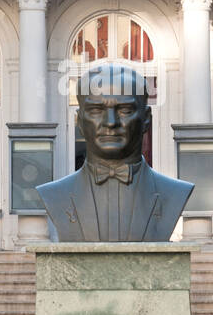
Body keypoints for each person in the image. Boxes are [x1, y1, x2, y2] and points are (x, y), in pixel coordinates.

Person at [37, 62, 193, 242]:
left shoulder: (174, 193)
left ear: (146, 119)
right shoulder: (55, 195)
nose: (110, 122)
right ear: (79, 120)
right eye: (96, 110)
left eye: (125, 110)